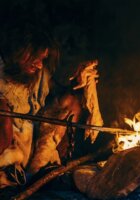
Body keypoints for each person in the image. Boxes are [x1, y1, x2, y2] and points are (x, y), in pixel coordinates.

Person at [0, 23, 101, 188]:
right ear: (21, 53)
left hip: (31, 140)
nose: (39, 65)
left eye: (42, 59)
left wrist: (78, 81)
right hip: (7, 145)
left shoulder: (38, 75)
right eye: (36, 59)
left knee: (71, 101)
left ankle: (42, 171)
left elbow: (56, 93)